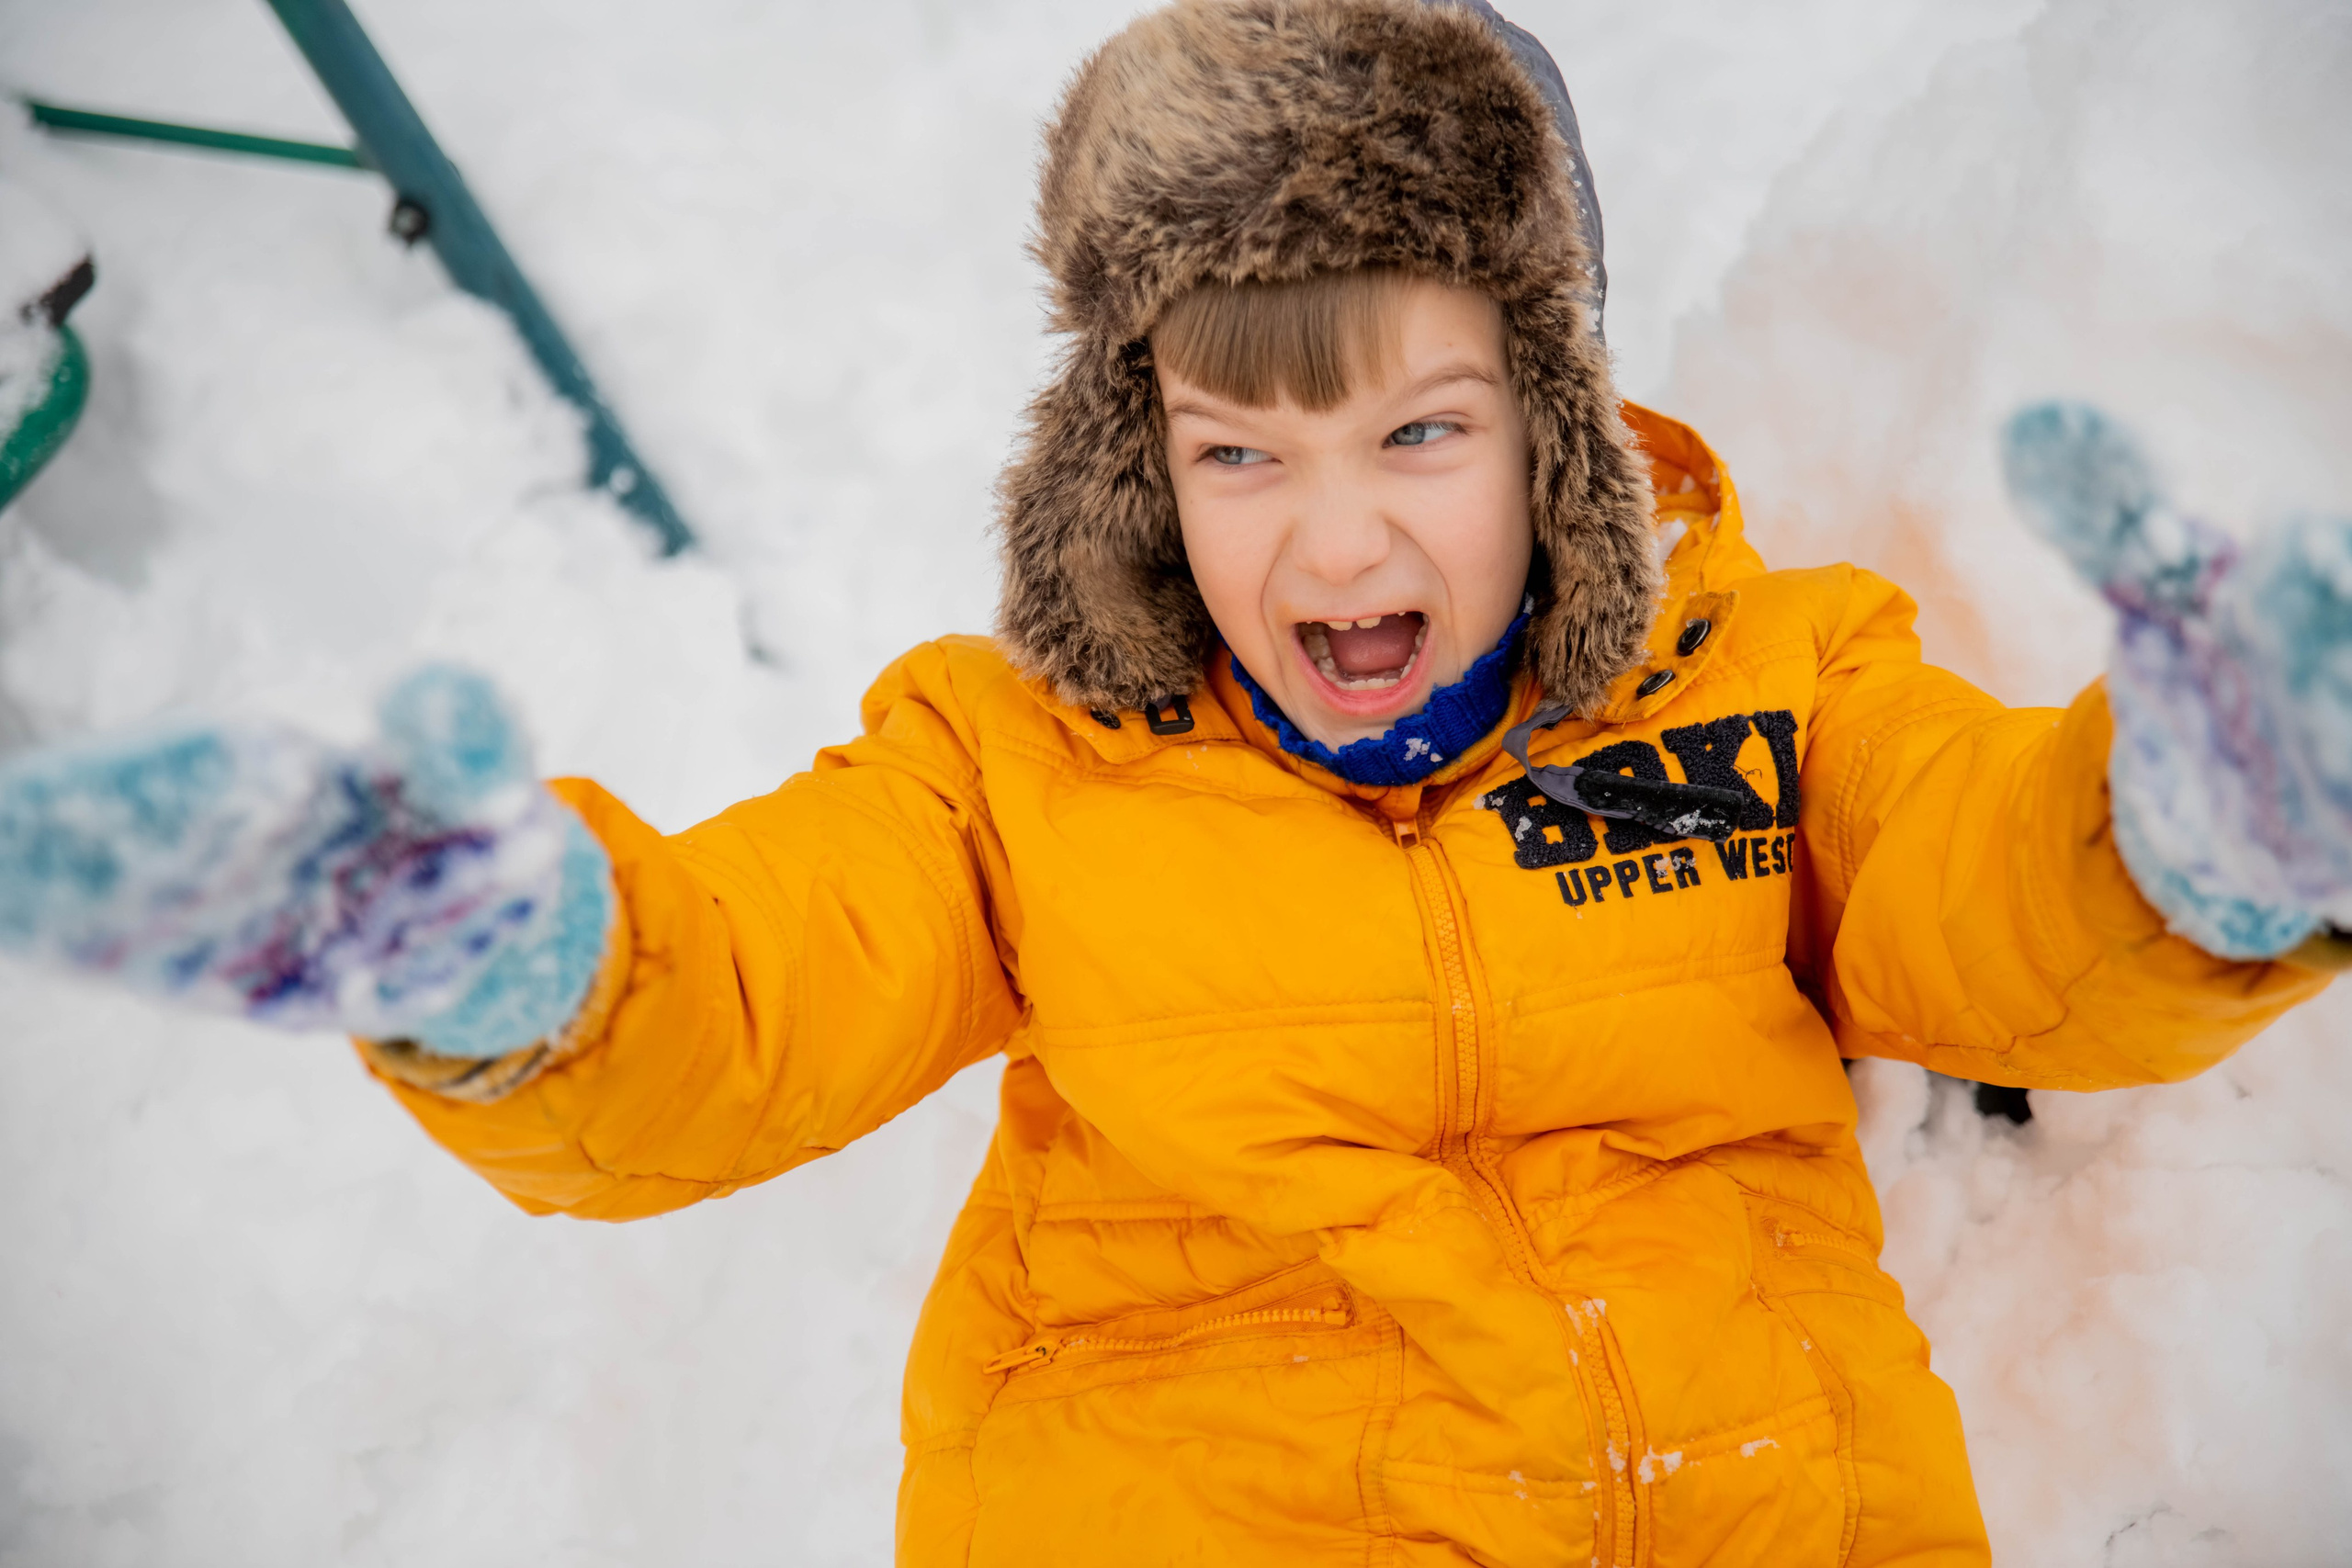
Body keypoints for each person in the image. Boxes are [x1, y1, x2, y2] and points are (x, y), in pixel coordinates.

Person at [2, 1, 2346, 1562]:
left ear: (1555, 416)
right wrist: (528, 970)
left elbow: (1981, 899)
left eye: (1418, 430)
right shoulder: (1015, 762)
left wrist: (2186, 851)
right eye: (1239, 449)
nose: (1333, 537)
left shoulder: (1759, 677)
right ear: (1136, 455)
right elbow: (752, 989)